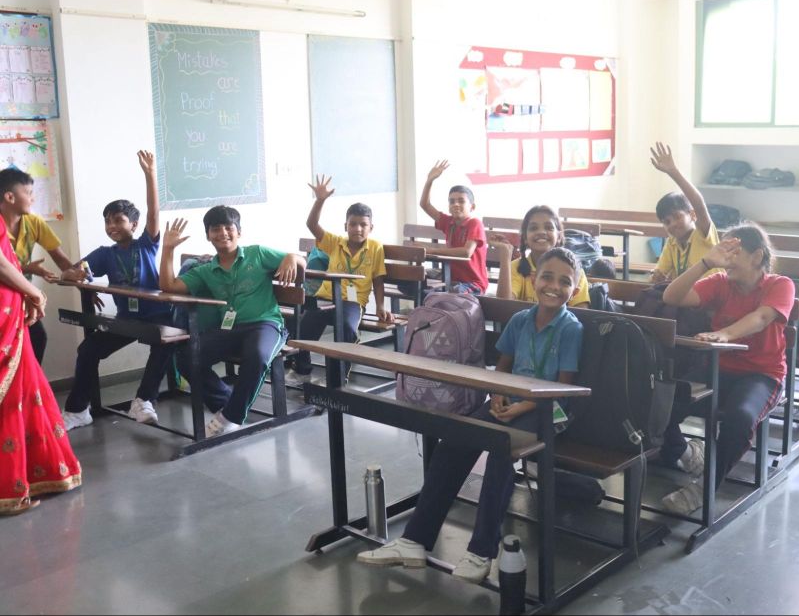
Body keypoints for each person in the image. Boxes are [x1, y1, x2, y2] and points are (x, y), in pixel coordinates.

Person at [356, 248, 584, 583]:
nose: (553, 285)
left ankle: (481, 552)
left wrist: (522, 405)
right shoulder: (521, 320)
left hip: (549, 408)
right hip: (511, 403)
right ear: (534, 278)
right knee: (455, 440)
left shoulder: (570, 328)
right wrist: (498, 397)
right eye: (547, 276)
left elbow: (562, 388)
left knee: (500, 450)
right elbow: (501, 370)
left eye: (564, 281)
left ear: (575, 290)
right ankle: (414, 541)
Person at [658, 222, 795, 514]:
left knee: (740, 417)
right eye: (724, 251)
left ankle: (705, 486)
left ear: (757, 256)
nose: (726, 258)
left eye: (734, 252)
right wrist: (705, 262)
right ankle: (687, 452)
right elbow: (672, 297)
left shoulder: (779, 284)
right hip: (720, 367)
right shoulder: (720, 281)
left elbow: (760, 318)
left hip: (762, 374)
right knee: (661, 401)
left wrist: (725, 334)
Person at [158, 207, 305, 437]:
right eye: (216, 229)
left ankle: (232, 416)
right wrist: (167, 249)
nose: (223, 233)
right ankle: (226, 402)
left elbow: (301, 261)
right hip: (231, 329)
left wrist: (291, 257)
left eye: (229, 228)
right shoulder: (206, 270)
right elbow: (169, 286)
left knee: (256, 356)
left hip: (265, 325)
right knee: (186, 356)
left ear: (239, 232)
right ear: (208, 235)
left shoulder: (257, 253)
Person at [61, 150, 171, 430]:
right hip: (127, 320)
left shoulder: (147, 244)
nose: (112, 226)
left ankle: (144, 400)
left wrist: (150, 175)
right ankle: (78, 410)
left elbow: (154, 212)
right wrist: (82, 280)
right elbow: (74, 270)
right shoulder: (104, 253)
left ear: (133, 225)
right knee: (88, 349)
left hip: (158, 315)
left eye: (119, 220)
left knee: (164, 344)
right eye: (108, 221)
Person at [0, 217, 82, 515]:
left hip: (10, 312)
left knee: (26, 390)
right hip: (4, 315)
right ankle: (7, 488)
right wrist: (34, 292)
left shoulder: (30, 222)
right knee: (11, 398)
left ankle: (36, 473)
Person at [291, 175, 392, 377]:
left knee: (346, 327)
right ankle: (302, 369)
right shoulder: (334, 242)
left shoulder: (375, 247)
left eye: (363, 224)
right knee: (304, 328)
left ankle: (339, 376)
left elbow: (378, 278)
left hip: (352, 303)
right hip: (325, 298)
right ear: (345, 226)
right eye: (353, 224)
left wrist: (381, 305)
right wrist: (320, 200)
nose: (358, 229)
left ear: (371, 227)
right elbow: (312, 224)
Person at [0, 165, 78, 363]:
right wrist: (27, 270)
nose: (33, 198)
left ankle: (30, 388)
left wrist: (76, 278)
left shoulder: (33, 222)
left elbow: (60, 258)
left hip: (21, 295)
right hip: (6, 296)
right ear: (10, 197)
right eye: (28, 193)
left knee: (36, 338)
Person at [649, 142, 722, 284]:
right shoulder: (672, 243)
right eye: (667, 222)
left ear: (693, 215)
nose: (673, 224)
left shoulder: (702, 234)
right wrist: (656, 278)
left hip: (712, 301)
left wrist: (673, 171)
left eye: (677, 217)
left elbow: (698, 204)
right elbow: (659, 274)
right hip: (688, 300)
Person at [491, 205, 591, 308]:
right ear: (525, 238)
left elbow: (582, 313)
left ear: (559, 237)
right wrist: (505, 256)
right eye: (533, 228)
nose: (541, 232)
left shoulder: (574, 271)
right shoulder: (516, 267)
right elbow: (503, 307)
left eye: (549, 227)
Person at [418, 160, 489, 295]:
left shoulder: (475, 224)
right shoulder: (448, 222)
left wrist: (431, 250)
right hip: (451, 278)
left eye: (461, 201)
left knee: (451, 292)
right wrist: (429, 181)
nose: (455, 204)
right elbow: (425, 205)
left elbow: (466, 252)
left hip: (473, 284)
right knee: (414, 280)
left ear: (472, 207)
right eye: (452, 201)